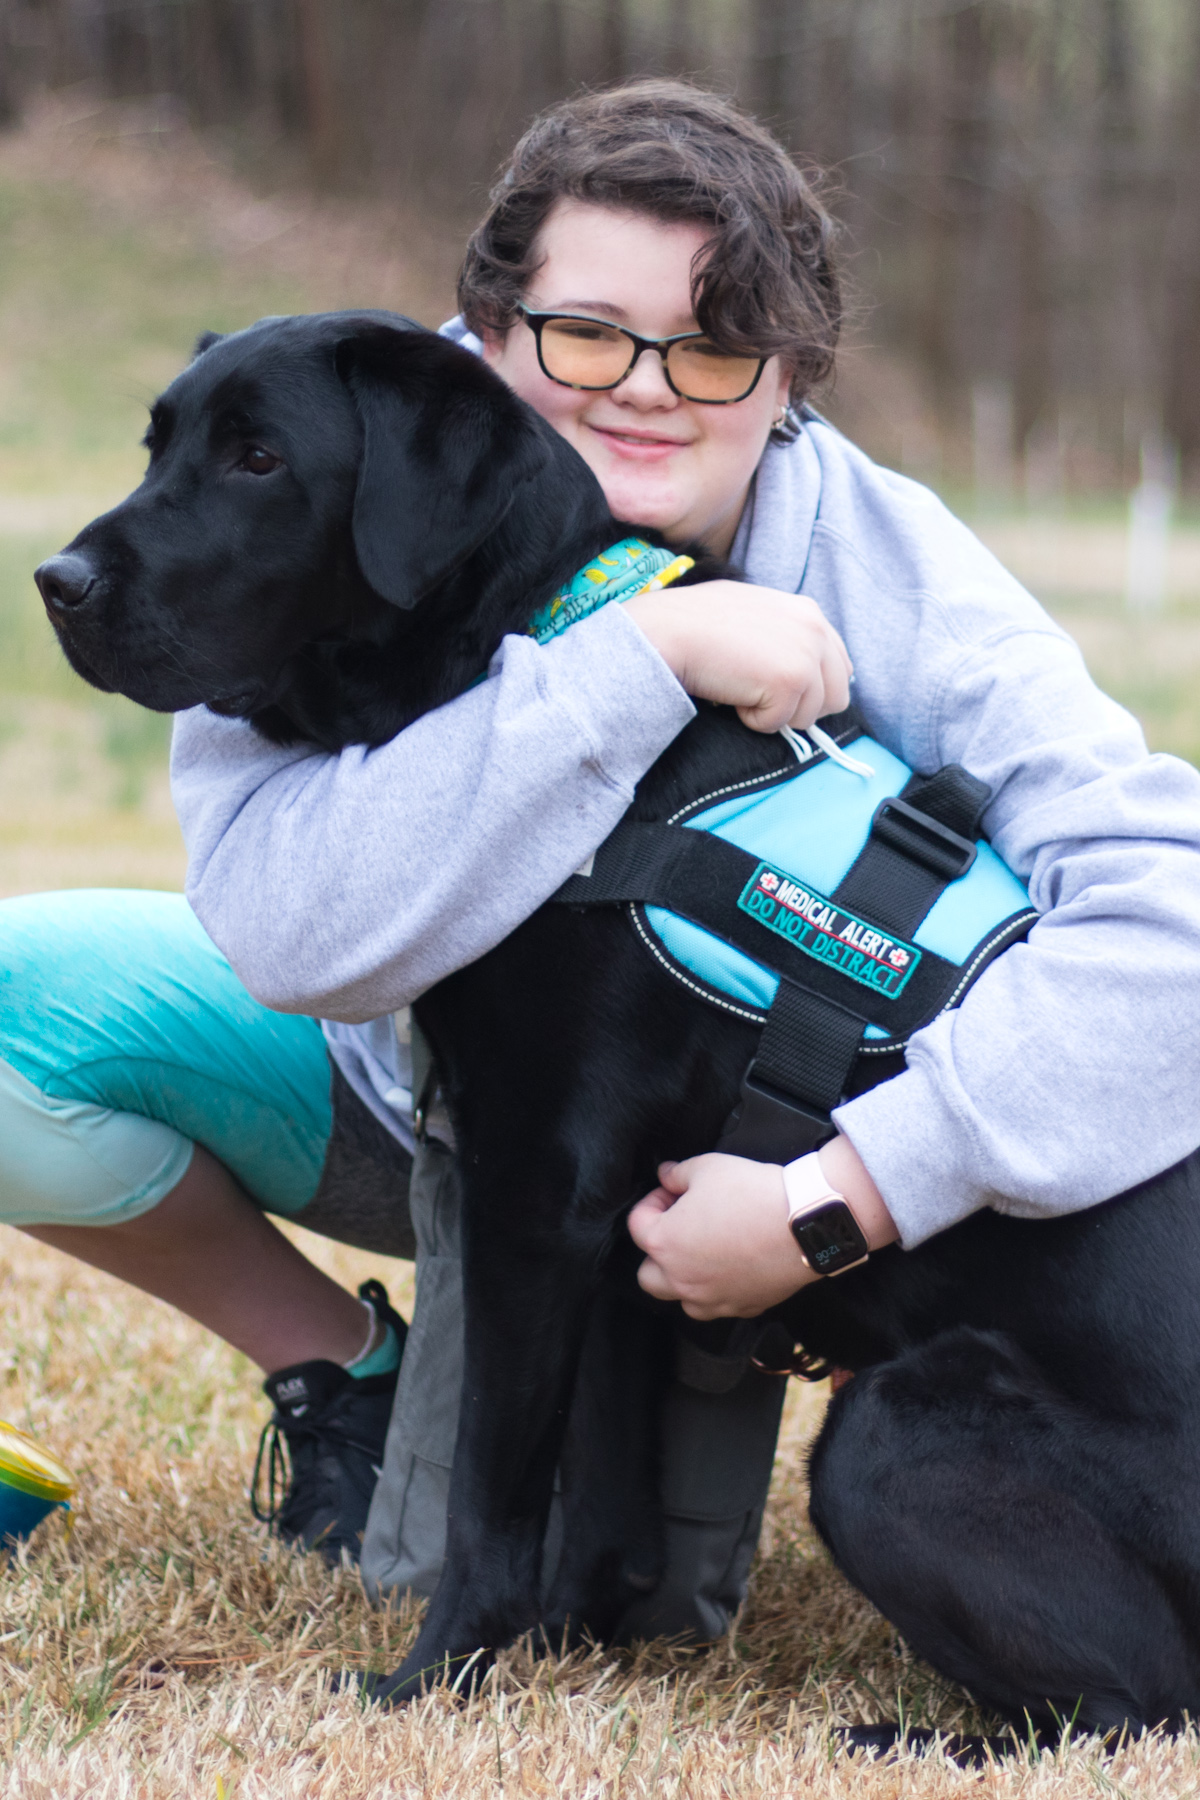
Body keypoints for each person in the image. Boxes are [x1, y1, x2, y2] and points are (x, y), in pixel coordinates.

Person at [5, 80, 1200, 1611]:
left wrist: (844, 1197)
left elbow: (1168, 928)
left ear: (792, 385)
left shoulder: (881, 559)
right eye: (586, 334)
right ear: (489, 332)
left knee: (627, 1606)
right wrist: (647, 656)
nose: (644, 389)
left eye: (711, 350)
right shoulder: (308, 460)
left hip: (730, 1162)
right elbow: (286, 931)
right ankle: (344, 1372)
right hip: (379, 1088)